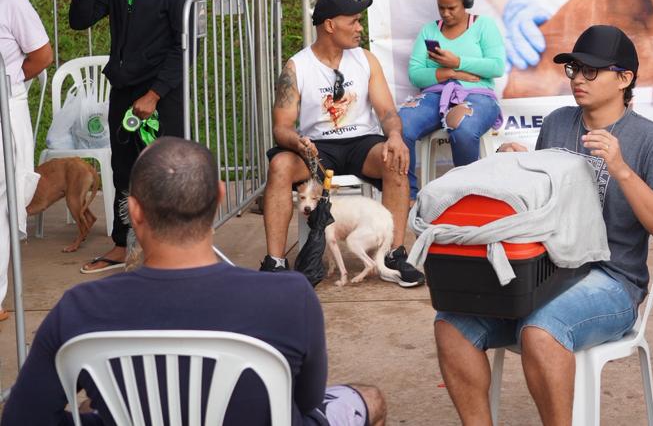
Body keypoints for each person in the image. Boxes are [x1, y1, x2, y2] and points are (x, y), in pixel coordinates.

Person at [2, 136, 386, 426]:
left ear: (134, 212)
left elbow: (21, 417)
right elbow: (307, 402)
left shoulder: (78, 309)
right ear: (219, 198)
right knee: (371, 399)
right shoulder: (291, 295)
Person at [434, 25, 653, 426]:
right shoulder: (558, 123)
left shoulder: (650, 140)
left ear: (625, 78)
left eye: (591, 71)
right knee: (451, 323)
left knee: (541, 330)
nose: (578, 79)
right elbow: (543, 203)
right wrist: (516, 165)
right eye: (574, 69)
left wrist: (621, 170)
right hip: (545, 272)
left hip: (613, 281)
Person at [262, 0, 424, 287]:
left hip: (362, 143)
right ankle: (275, 262)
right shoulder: (297, 67)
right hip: (317, 146)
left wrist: (395, 135)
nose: (360, 28)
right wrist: (298, 142)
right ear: (330, 25)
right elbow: (282, 126)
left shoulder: (366, 59)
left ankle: (393, 254)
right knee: (280, 166)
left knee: (395, 157)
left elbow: (387, 111)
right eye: (354, 21)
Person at [68, 0, 195, 275]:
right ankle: (124, 243)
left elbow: (185, 47)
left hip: (162, 95)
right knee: (123, 169)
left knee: (165, 168)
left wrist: (154, 94)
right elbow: (80, 19)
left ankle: (173, 246)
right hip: (124, 92)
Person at [398, 0, 505, 193]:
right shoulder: (429, 31)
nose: (446, 14)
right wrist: (451, 72)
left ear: (465, 2)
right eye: (441, 8)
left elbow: (496, 66)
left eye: (452, 8)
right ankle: (408, 195)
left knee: (463, 127)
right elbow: (415, 74)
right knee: (401, 125)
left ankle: (468, 194)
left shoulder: (483, 26)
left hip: (478, 96)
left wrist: (457, 61)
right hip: (435, 96)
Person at [0, 0, 52, 320]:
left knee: (1, 200)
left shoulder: (11, 3)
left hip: (5, 109)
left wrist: (8, 83)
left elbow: (41, 57)